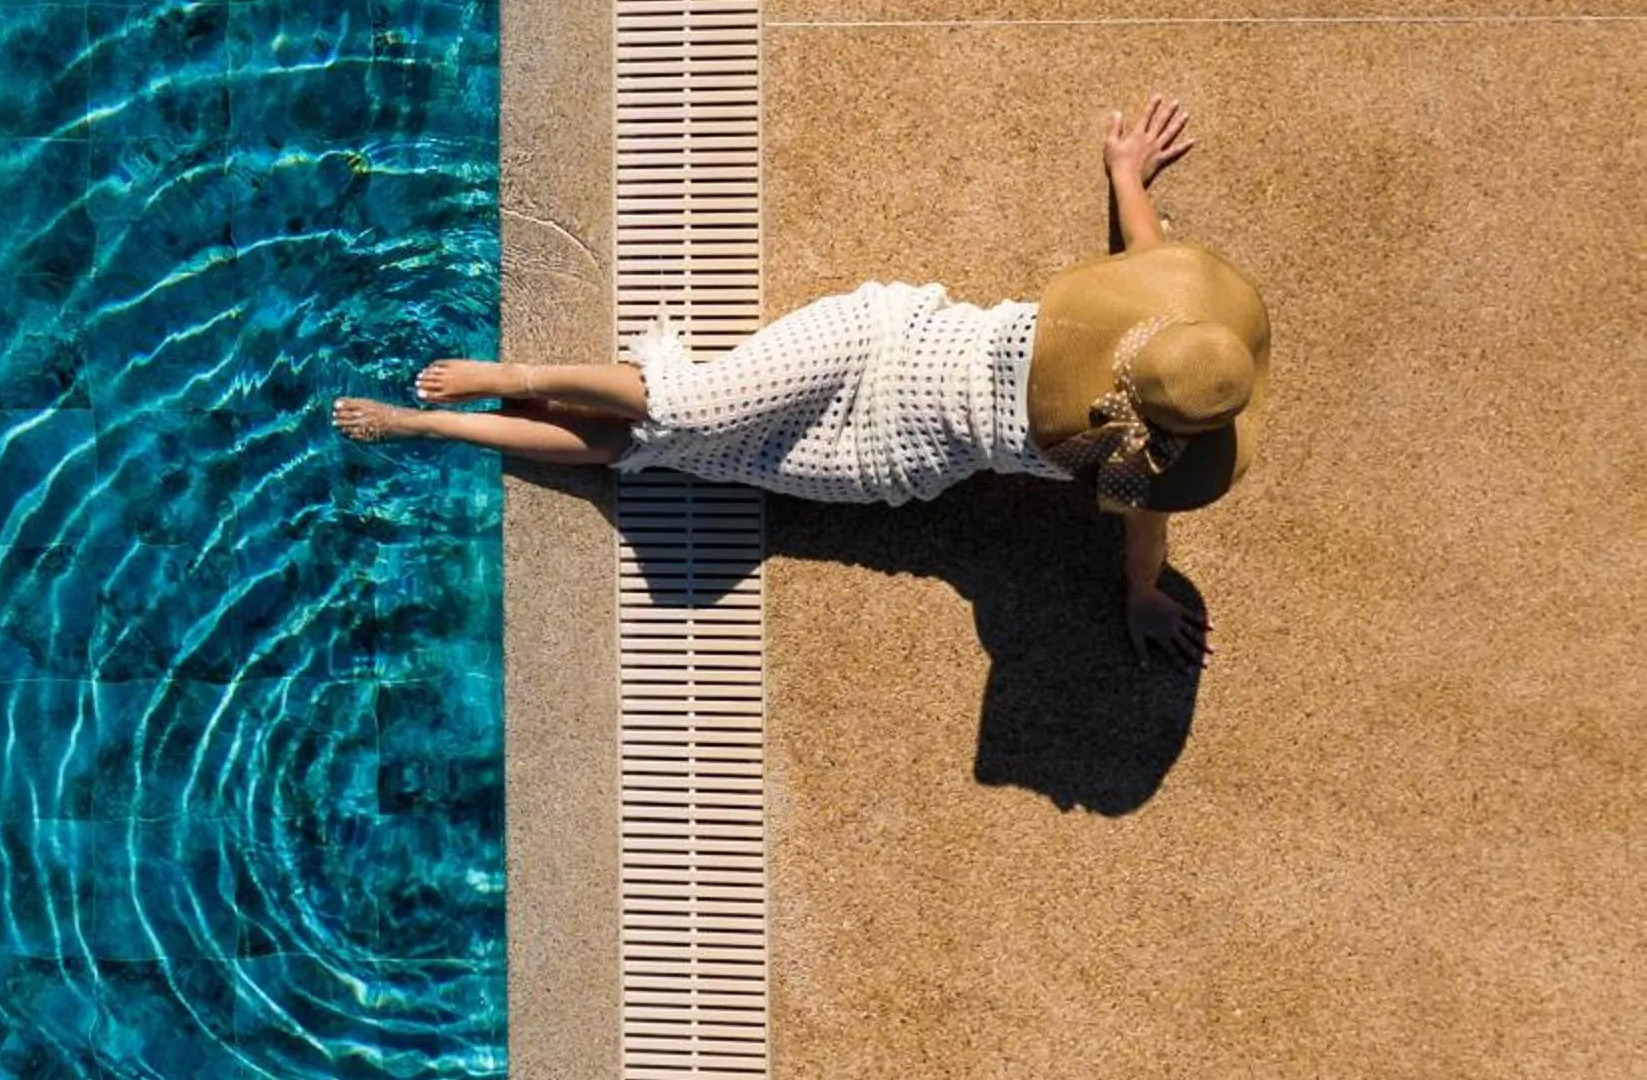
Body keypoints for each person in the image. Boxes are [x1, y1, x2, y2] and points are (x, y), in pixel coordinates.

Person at [333, 95, 1264, 673]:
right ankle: (513, 375)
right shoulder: (1163, 319)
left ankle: (432, 429)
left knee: (655, 453)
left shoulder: (1149, 449)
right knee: (692, 403)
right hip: (877, 338)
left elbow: (1148, 523)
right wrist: (1124, 170)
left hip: (886, 454)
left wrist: (1143, 593)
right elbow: (1149, 251)